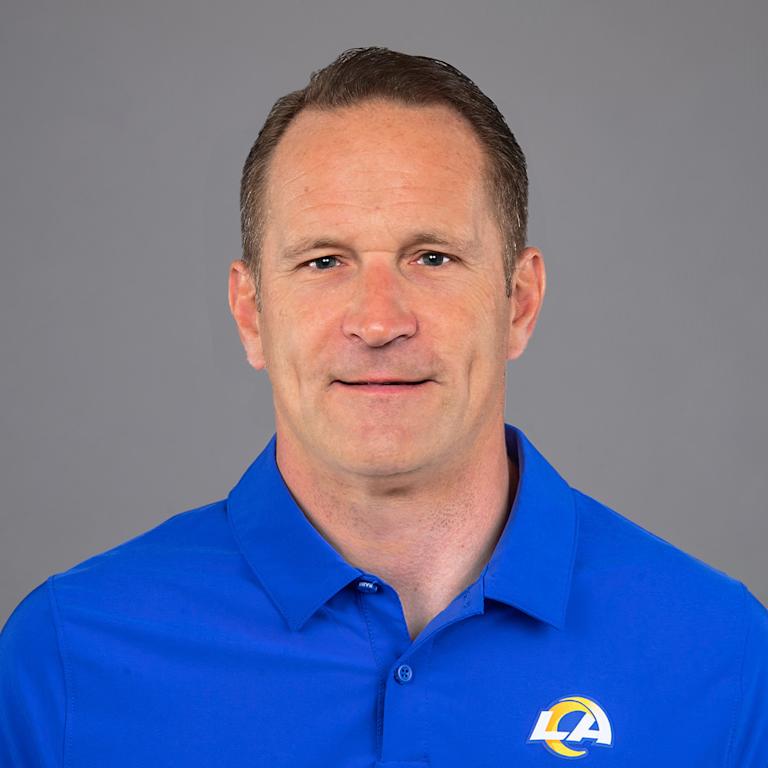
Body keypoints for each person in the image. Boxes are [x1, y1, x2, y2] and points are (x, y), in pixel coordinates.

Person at [1, 46, 766, 767]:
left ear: (520, 302)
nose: (377, 321)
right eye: (323, 261)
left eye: (432, 257)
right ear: (250, 313)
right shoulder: (66, 659)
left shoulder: (723, 656)